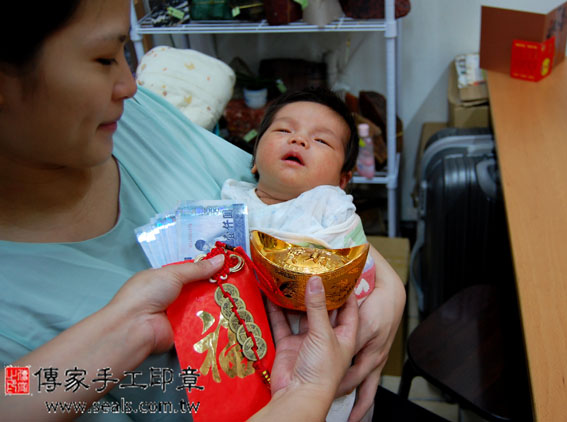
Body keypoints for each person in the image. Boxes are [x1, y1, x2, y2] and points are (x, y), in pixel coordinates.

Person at [0, 1, 406, 421]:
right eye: (103, 58)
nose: (130, 85)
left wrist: (387, 286)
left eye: (126, 52)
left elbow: (293, 203)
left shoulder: (133, 119)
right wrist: (307, 394)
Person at [221, 88, 374, 421]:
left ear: (342, 180)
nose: (299, 141)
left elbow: (353, 262)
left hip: (316, 354)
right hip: (243, 350)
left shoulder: (331, 208)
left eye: (321, 141)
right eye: (284, 130)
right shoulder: (231, 202)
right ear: (254, 161)